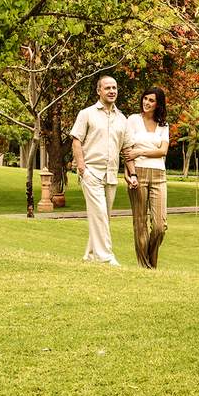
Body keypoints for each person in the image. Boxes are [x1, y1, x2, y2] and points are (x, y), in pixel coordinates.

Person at [71, 76, 138, 266]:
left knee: (103, 217)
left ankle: (90, 255)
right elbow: (76, 140)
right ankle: (106, 257)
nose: (112, 91)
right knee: (100, 214)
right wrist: (82, 167)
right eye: (107, 88)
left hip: (111, 175)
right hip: (91, 172)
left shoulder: (122, 119)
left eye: (114, 88)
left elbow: (127, 149)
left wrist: (133, 174)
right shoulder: (86, 114)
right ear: (98, 91)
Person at [125, 87, 170, 268]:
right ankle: (145, 266)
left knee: (160, 226)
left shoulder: (163, 125)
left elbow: (163, 151)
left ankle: (150, 262)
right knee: (140, 222)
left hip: (159, 175)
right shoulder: (132, 120)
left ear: (158, 104)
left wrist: (140, 152)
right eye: (145, 98)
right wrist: (131, 174)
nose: (147, 103)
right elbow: (127, 151)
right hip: (139, 173)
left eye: (151, 100)